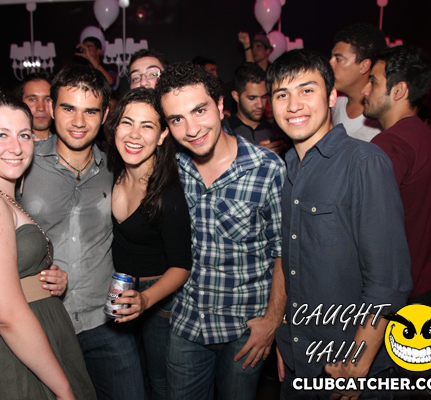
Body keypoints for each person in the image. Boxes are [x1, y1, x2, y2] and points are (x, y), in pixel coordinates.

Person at [268, 48, 412, 400]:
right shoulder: (289, 167)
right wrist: (286, 337)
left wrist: (356, 366)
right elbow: (292, 262)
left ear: (332, 97)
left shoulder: (364, 162)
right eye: (282, 95)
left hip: (347, 369)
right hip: (299, 360)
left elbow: (387, 282)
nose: (294, 105)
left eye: (307, 90)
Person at [156, 62, 285, 400]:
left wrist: (273, 321)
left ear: (220, 105)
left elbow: (284, 253)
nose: (192, 129)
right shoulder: (170, 167)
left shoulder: (267, 169)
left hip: (244, 330)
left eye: (199, 110)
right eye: (177, 119)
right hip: (187, 323)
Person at [0, 91, 95, 400]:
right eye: (1, 135)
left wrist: (45, 279)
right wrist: (63, 390)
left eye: (24, 135)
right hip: (9, 353)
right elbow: (6, 315)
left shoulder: (5, 197)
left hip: (35, 341)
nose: (16, 147)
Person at [17, 64, 146, 400]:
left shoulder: (118, 168)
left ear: (105, 115)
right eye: (68, 108)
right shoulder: (22, 163)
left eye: (90, 111)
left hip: (105, 320)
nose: (78, 121)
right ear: (51, 108)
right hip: (43, 321)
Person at [105, 87, 192, 399]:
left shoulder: (167, 193)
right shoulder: (111, 170)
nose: (134, 134)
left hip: (158, 299)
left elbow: (182, 266)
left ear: (163, 134)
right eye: (127, 123)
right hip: (119, 290)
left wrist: (145, 299)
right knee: (128, 381)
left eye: (147, 126)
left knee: (160, 384)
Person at [363, 46, 431, 307]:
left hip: (394, 296)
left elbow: (364, 226)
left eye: (373, 82)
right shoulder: (425, 136)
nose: (365, 90)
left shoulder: (390, 144)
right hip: (421, 286)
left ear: (398, 90)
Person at [329, 23, 385, 141]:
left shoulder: (381, 119)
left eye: (338, 59)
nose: (330, 64)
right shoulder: (333, 105)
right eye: (331, 58)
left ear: (364, 66)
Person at [222, 62, 289, 156]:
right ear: (236, 96)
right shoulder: (223, 132)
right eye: (252, 98)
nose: (260, 105)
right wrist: (257, 155)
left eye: (264, 97)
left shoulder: (277, 130)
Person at [16, 72, 54, 141]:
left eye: (47, 100)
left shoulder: (67, 144)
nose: (41, 108)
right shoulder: (13, 145)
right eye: (32, 99)